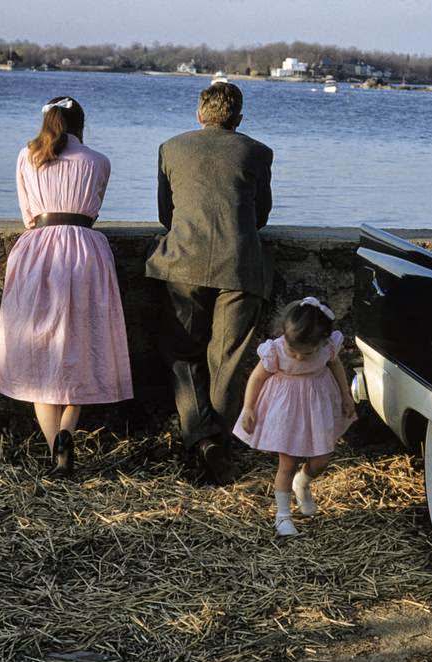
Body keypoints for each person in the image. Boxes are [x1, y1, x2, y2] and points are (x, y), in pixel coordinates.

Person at [0, 96, 133, 475]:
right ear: (80, 124)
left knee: (39, 353)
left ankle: (54, 443)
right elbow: (93, 209)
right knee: (83, 347)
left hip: (39, 249)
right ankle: (67, 434)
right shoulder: (99, 161)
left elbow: (28, 215)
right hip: (86, 251)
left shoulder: (28, 156)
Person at [147, 82, 274, 484]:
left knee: (182, 354)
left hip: (183, 262)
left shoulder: (171, 148)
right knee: (227, 362)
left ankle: (202, 440)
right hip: (240, 267)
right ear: (238, 119)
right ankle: (218, 447)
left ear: (199, 115)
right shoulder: (257, 152)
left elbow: (167, 215)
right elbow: (260, 217)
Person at [233, 297, 357, 537]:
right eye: (294, 351)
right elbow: (257, 378)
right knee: (287, 463)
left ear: (322, 343)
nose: (299, 358)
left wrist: (345, 395)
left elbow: (337, 367)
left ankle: (302, 482)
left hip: (317, 407)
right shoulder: (276, 349)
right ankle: (283, 516)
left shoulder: (328, 347)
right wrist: (248, 407)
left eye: (307, 353)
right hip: (286, 410)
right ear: (285, 336)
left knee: (322, 459)